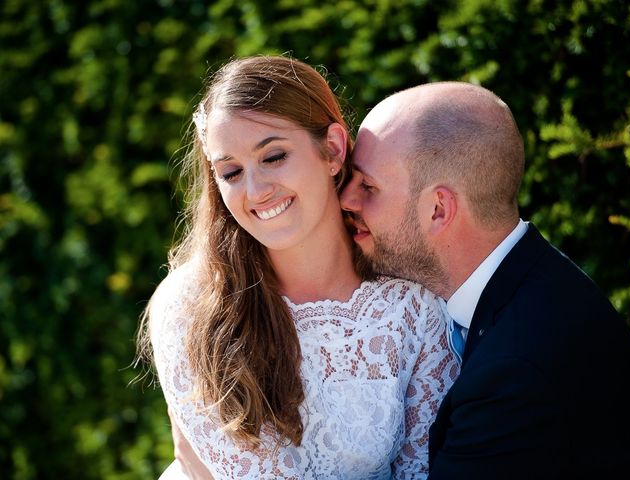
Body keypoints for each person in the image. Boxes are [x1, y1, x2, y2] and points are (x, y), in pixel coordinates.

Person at [136, 56, 458, 479]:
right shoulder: (191, 307)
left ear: (333, 149)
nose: (255, 191)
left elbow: (426, 469)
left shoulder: (412, 302)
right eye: (230, 172)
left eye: (273, 157)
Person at [340, 81, 630, 479]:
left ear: (438, 210)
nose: (346, 200)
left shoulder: (514, 373)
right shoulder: (536, 279)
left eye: (368, 186)